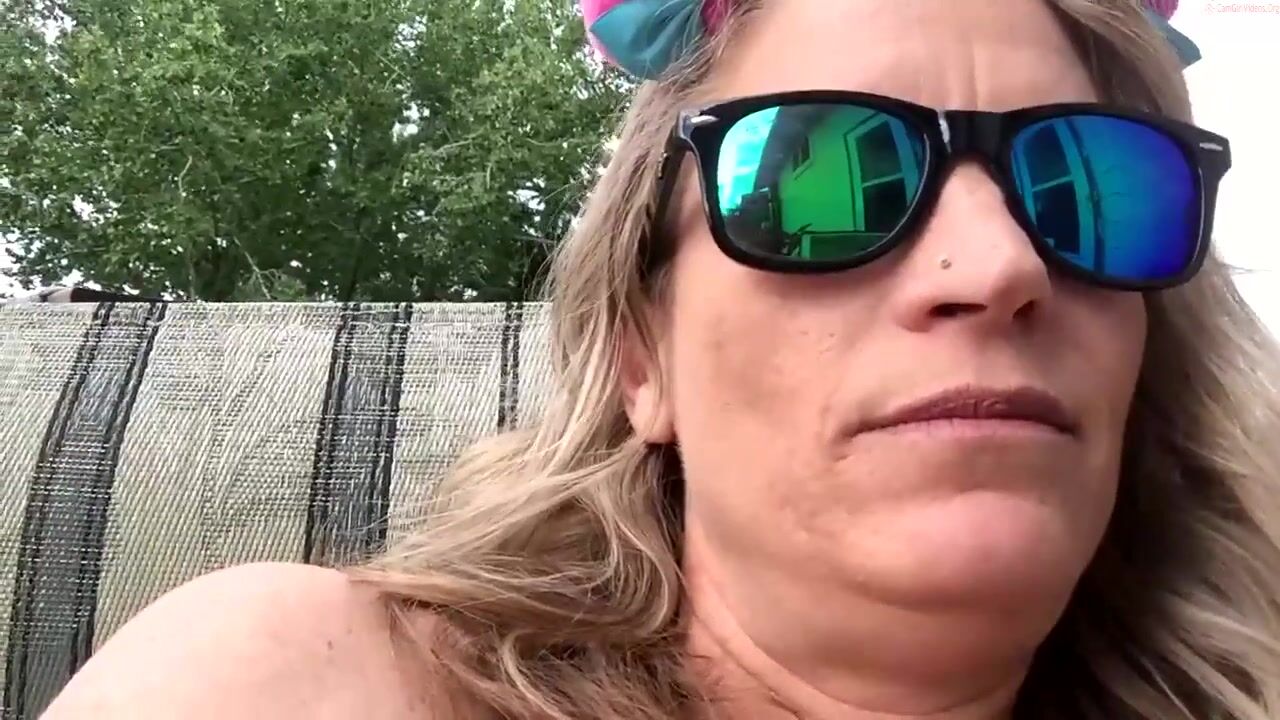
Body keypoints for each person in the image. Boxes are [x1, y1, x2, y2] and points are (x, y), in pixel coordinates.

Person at [43, 0, 1280, 718]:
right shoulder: (297, 683)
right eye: (820, 182)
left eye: (1086, 190)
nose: (999, 263)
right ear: (643, 357)